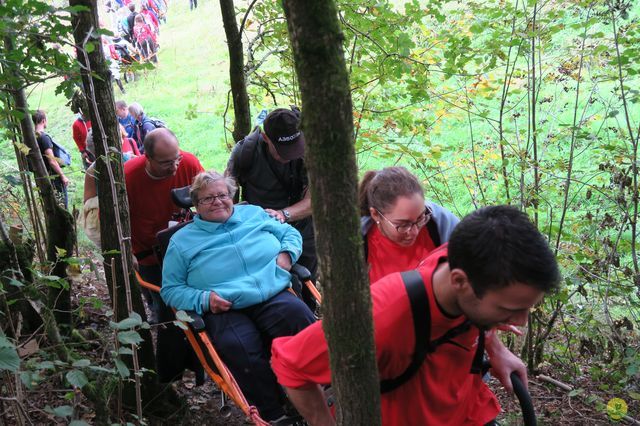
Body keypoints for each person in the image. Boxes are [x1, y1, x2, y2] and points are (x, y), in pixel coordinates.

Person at [271, 205, 561, 425]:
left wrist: (495, 347)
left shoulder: (463, 259)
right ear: (459, 282)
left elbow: (480, 309)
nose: (521, 321)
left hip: (468, 409)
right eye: (509, 310)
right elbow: (291, 366)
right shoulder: (384, 313)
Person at [161, 170, 315, 422]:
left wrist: (287, 254)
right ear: (196, 206)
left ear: (232, 196)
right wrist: (204, 300)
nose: (217, 202)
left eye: (222, 195)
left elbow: (290, 234)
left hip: (271, 293)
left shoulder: (254, 214)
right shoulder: (181, 242)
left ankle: (323, 388)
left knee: (300, 319)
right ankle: (273, 414)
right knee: (239, 347)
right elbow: (171, 289)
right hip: (224, 307)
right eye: (208, 199)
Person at [226, 108, 317, 280]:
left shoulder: (311, 152)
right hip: (260, 232)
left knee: (306, 282)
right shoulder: (245, 152)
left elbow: (316, 200)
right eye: (284, 150)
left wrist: (283, 215)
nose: (291, 156)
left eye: (295, 148)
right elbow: (227, 195)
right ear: (266, 138)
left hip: (302, 231)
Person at [124, 127, 203, 322]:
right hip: (147, 251)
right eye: (166, 163)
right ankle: (160, 320)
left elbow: (206, 195)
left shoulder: (189, 162)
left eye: (177, 159)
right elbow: (109, 218)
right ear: (148, 158)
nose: (175, 167)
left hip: (185, 244)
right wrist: (126, 250)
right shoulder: (128, 177)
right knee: (162, 302)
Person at [359, 166, 459, 283]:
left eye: (420, 218)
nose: (414, 232)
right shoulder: (360, 243)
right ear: (375, 214)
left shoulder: (440, 223)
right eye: (403, 225)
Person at [32, 110, 70, 209]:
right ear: (44, 120)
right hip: (53, 177)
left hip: (41, 176)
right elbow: (52, 161)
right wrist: (62, 176)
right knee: (61, 205)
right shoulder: (44, 138)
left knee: (50, 206)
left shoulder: (32, 138)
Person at [70, 91, 93, 169]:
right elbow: (76, 138)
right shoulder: (76, 124)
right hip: (87, 152)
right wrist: (82, 151)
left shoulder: (95, 119)